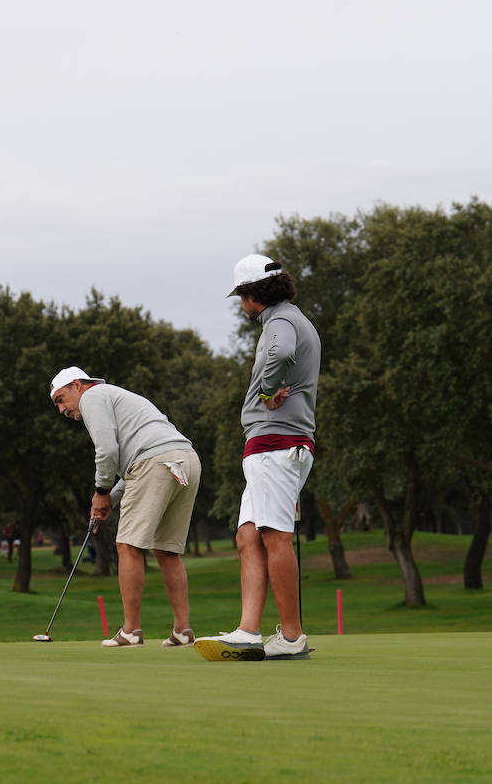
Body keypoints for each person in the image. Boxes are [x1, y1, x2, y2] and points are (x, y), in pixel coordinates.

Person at [197, 255, 321, 660]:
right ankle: (249, 631)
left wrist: (267, 390)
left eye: (242, 297)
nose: (241, 305)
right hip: (275, 445)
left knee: (273, 535)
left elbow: (281, 353)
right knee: (248, 536)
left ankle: (290, 637)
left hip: (277, 444)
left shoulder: (280, 322)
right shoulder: (290, 317)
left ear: (254, 295)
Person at [50, 366, 201, 648]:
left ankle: (131, 631)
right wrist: (109, 500)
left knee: (128, 545)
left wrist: (101, 492)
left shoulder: (92, 397)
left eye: (60, 400)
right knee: (166, 549)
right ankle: (182, 631)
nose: (62, 410)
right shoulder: (115, 396)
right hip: (186, 459)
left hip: (156, 462)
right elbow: (133, 469)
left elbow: (107, 450)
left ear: (77, 385)